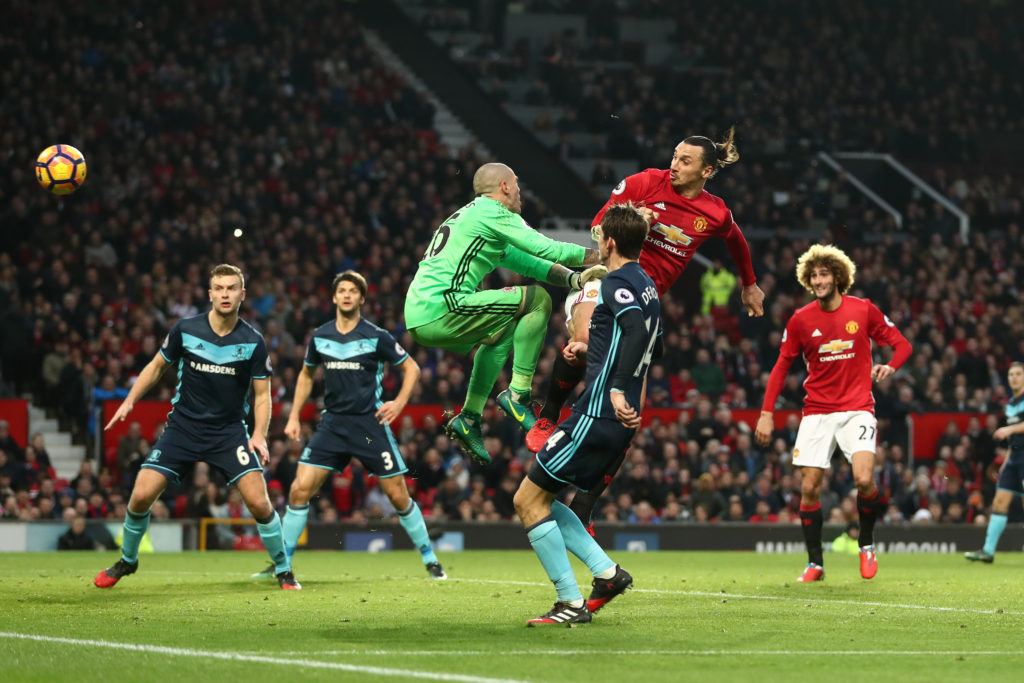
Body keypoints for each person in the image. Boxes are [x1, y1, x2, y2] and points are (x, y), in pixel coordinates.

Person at [528, 128, 767, 532]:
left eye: (685, 161)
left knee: (630, 420)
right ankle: (550, 413)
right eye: (674, 156)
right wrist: (635, 220)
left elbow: (737, 239)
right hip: (608, 278)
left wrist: (749, 283)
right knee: (583, 340)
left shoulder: (714, 212)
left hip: (645, 301)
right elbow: (599, 226)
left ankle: (585, 506)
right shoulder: (644, 183)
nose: (674, 165)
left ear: (707, 171)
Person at [94, 264, 299, 590]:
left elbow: (263, 396)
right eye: (219, 288)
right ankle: (128, 560)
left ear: (242, 294)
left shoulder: (253, 341)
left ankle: (283, 569)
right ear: (210, 294)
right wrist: (130, 399)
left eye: (231, 288)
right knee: (141, 495)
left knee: (260, 503)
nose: (225, 294)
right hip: (183, 429)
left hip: (228, 433)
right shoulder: (186, 329)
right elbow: (157, 366)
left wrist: (259, 435)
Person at [513, 204, 658, 625]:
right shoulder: (648, 286)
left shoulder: (614, 283)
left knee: (526, 500)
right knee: (542, 497)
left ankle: (570, 602)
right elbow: (647, 344)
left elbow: (633, 330)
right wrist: (594, 351)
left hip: (596, 413)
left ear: (608, 242)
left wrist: (614, 388)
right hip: (614, 418)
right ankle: (608, 574)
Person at [403, 162, 603, 463]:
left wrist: (575, 279)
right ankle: (518, 395)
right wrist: (606, 254)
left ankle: (469, 418)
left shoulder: (471, 217)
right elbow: (549, 249)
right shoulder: (493, 212)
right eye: (517, 184)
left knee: (502, 332)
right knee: (538, 299)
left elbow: (528, 263)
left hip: (421, 313)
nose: (520, 192)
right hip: (443, 306)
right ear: (505, 186)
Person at [252, 271, 447, 580]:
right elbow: (306, 375)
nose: (346, 295)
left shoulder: (377, 336)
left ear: (361, 298)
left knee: (398, 495)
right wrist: (294, 416)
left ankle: (430, 558)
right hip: (332, 425)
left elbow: (412, 368)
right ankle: (282, 563)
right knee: (299, 489)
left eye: (352, 291)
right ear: (334, 297)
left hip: (369, 425)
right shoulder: (320, 336)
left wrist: (398, 403)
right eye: (341, 290)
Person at [754, 244, 912, 582]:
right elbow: (781, 367)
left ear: (837, 277)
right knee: (810, 487)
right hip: (817, 412)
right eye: (813, 275)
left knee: (864, 480)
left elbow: (902, 344)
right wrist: (766, 413)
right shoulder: (800, 319)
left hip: (858, 409)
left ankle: (866, 544)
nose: (818, 280)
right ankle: (815, 564)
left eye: (824, 274)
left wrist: (891, 366)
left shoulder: (863, 310)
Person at [965, 362, 1024, 563]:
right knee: (999, 502)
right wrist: (1007, 461)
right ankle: (988, 551)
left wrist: (1010, 429)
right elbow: (1015, 439)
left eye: (1018, 374)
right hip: (1014, 459)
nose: (1014, 378)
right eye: (1011, 374)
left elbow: (1014, 430)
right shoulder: (1011, 404)